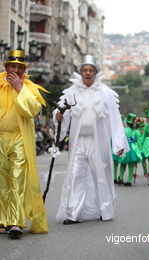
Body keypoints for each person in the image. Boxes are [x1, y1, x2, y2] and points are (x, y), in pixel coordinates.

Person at [0, 49, 49, 237]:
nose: (15, 70)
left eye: (19, 67)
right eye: (12, 66)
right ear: (6, 67)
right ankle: (4, 219)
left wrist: (19, 88)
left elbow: (32, 110)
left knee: (17, 178)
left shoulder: (29, 87)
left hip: (19, 138)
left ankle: (15, 222)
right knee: (1, 181)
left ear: (23, 70)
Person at [54, 55, 129, 224]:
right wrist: (58, 116)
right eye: (84, 70)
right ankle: (74, 213)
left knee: (101, 174)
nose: (87, 73)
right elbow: (61, 112)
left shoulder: (106, 93)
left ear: (96, 73)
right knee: (76, 175)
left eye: (91, 70)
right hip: (78, 141)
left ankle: (105, 209)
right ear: (80, 72)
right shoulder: (72, 92)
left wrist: (118, 143)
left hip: (98, 141)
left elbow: (115, 119)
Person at [117, 113, 142, 186]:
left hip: (125, 148)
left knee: (123, 164)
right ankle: (129, 180)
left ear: (127, 123)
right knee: (131, 165)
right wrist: (140, 150)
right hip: (133, 149)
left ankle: (121, 178)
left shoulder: (124, 130)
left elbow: (121, 139)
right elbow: (139, 141)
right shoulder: (136, 131)